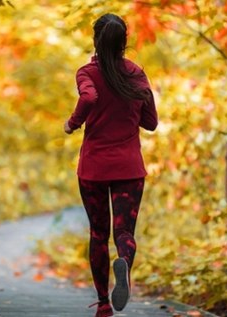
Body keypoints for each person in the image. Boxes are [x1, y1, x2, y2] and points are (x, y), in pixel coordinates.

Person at [64, 13, 158, 317]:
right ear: (124, 42)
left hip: (93, 169)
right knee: (124, 233)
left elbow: (89, 97)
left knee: (97, 234)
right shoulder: (136, 75)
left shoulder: (87, 73)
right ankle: (125, 263)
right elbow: (151, 122)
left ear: (95, 40)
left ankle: (104, 304)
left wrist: (73, 122)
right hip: (129, 169)